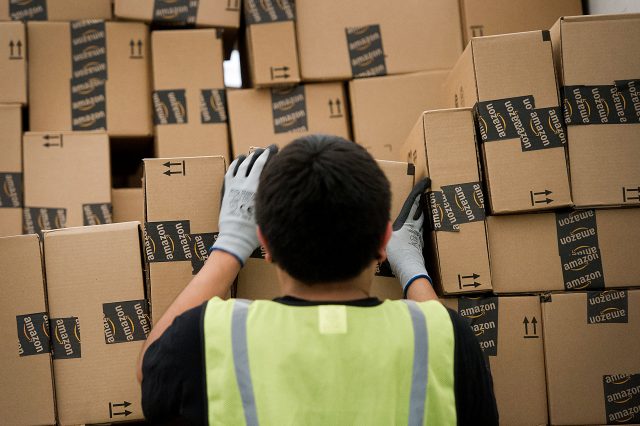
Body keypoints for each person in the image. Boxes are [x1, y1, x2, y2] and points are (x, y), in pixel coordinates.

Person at [137, 134, 498, 425]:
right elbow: (440, 336)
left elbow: (149, 370)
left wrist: (230, 245)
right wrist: (413, 272)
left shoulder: (212, 335)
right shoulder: (447, 338)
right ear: (384, 241)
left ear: (265, 245)